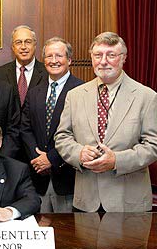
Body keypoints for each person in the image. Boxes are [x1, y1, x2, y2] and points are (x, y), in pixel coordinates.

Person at [55, 32, 157, 212]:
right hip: (86, 201)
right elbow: (62, 137)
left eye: (111, 55)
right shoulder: (75, 95)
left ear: (123, 58)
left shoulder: (146, 96)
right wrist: (79, 153)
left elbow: (153, 145)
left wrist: (117, 160)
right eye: (98, 55)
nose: (103, 61)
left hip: (129, 203)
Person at [20, 37, 83, 213]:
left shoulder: (83, 91)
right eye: (49, 56)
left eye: (59, 56)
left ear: (69, 60)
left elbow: (82, 133)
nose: (54, 61)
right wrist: (37, 158)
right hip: (37, 177)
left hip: (68, 177)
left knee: (68, 235)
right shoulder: (34, 92)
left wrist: (52, 159)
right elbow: (24, 128)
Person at [0, 25, 48, 108]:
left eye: (28, 42)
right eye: (18, 42)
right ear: (13, 47)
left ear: (35, 45)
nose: (23, 47)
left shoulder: (47, 72)